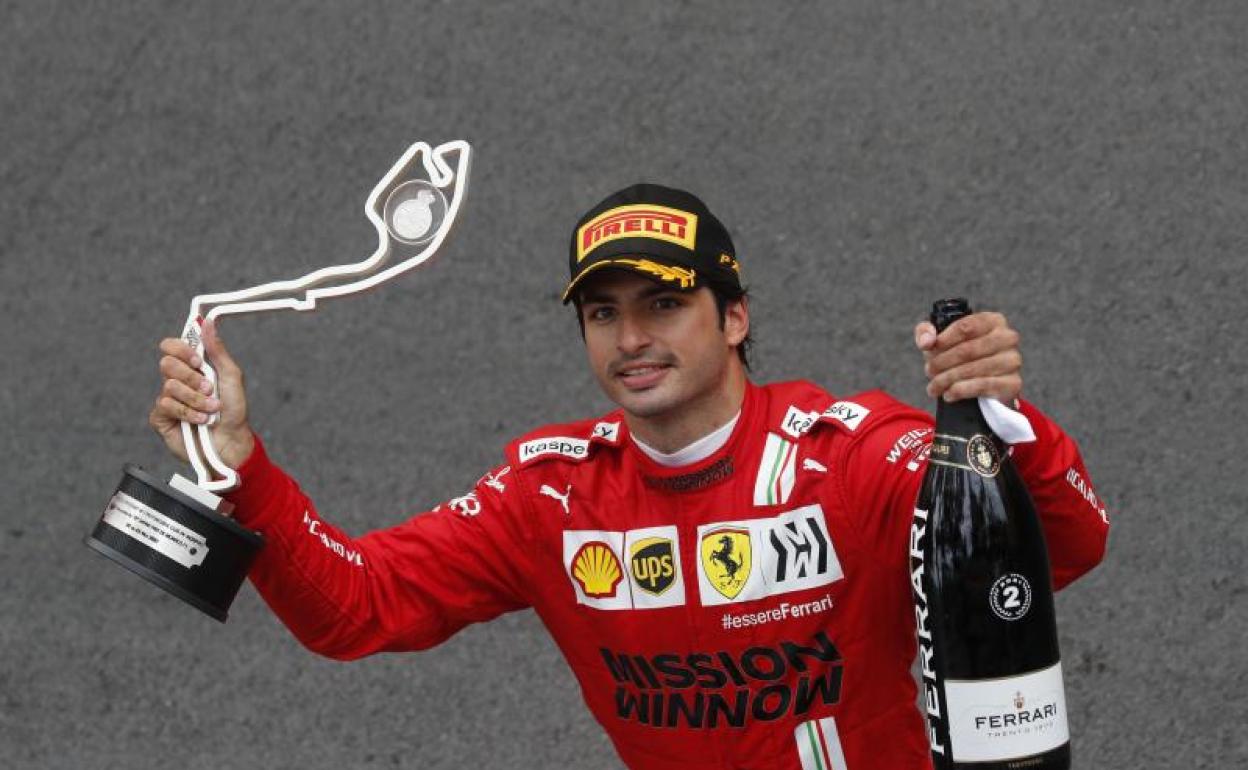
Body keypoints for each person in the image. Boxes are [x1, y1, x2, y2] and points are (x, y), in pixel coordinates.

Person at [150, 184, 1109, 769]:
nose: (633, 337)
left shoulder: (851, 455)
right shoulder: (549, 496)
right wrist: (240, 468)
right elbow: (355, 607)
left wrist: (1003, 425)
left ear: (734, 318)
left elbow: (1062, 548)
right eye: (603, 313)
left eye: (664, 303)